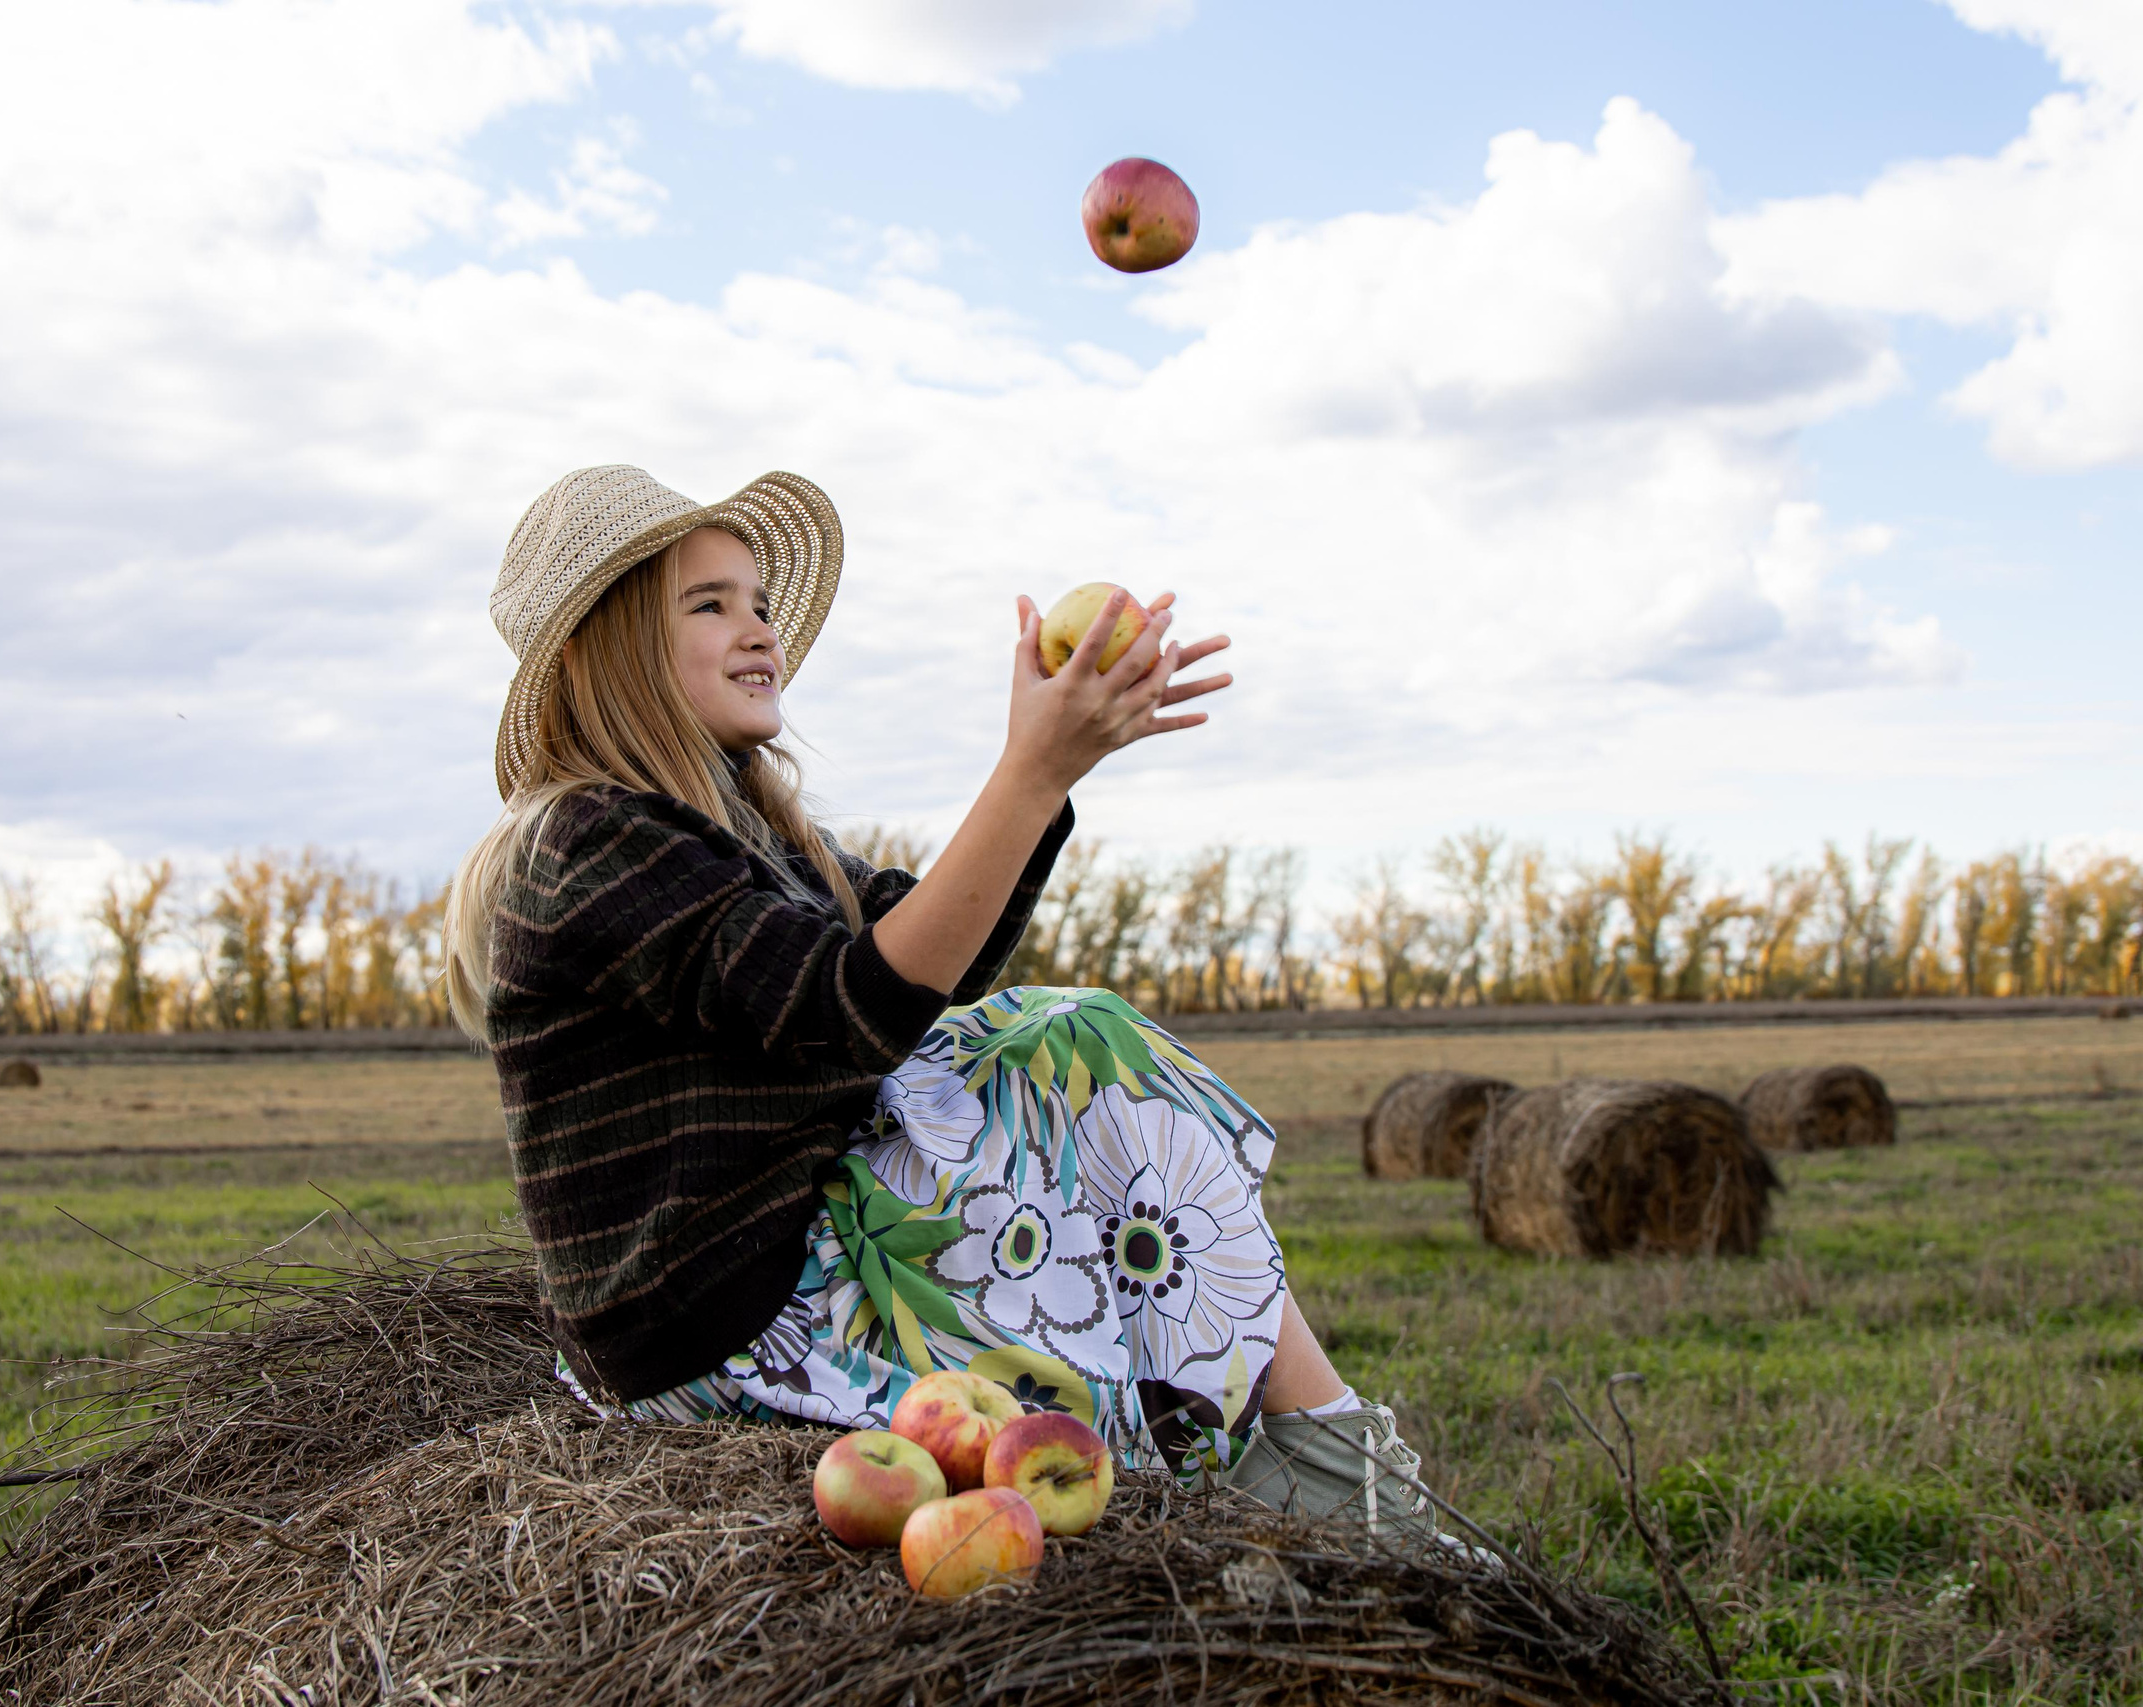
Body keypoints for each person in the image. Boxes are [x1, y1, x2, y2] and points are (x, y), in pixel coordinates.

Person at [444, 464, 1460, 1544]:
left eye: (758, 602)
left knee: (1042, 1042)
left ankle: (1320, 1460)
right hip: (727, 1326)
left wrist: (1055, 768)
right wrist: (1026, 773)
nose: (757, 629)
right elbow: (853, 1009)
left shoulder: (751, 832)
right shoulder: (587, 843)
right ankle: (1328, 1471)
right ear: (606, 655)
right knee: (1075, 1041)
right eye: (708, 604)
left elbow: (928, 950)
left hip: (792, 1259)